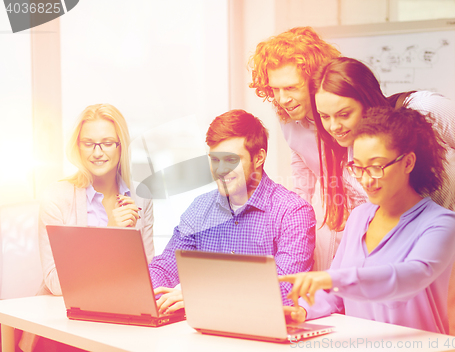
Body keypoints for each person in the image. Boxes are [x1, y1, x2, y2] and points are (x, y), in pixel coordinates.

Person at [310, 57, 455, 310]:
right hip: (426, 254)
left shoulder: (427, 110)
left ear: (367, 100)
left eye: (344, 114)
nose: (334, 126)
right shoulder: (353, 159)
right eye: (324, 116)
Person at [281, 106, 455, 334]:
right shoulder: (359, 217)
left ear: (408, 163)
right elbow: (335, 294)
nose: (366, 179)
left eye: (376, 167)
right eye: (358, 167)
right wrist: (303, 311)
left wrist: (329, 278)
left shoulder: (441, 223)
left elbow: (408, 279)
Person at [148, 109, 316, 313]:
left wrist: (201, 294)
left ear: (258, 158)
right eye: (215, 160)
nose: (220, 170)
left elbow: (286, 290)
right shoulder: (199, 209)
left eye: (230, 160)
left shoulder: (293, 212)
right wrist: (144, 291)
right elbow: (165, 268)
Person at [19, 104, 155, 352]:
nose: (97, 152)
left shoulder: (141, 198)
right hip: (63, 324)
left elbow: (148, 275)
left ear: (120, 146)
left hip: (122, 319)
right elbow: (56, 283)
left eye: (106, 142)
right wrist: (111, 233)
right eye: (88, 143)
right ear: (78, 147)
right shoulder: (56, 198)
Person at [249, 27, 344, 270]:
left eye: (291, 88)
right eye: (275, 89)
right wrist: (297, 220)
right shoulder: (287, 115)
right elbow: (301, 163)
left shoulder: (344, 117)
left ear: (316, 81)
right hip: (328, 216)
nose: (282, 99)